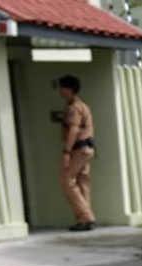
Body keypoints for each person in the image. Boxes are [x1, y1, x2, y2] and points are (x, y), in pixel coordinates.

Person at [58, 75, 95, 232]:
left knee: (67, 180)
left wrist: (66, 151)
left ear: (69, 90)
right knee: (82, 183)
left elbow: (73, 129)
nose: (60, 91)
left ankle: (86, 216)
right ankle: (84, 220)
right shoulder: (82, 105)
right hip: (86, 148)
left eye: (62, 87)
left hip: (78, 149)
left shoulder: (73, 108)